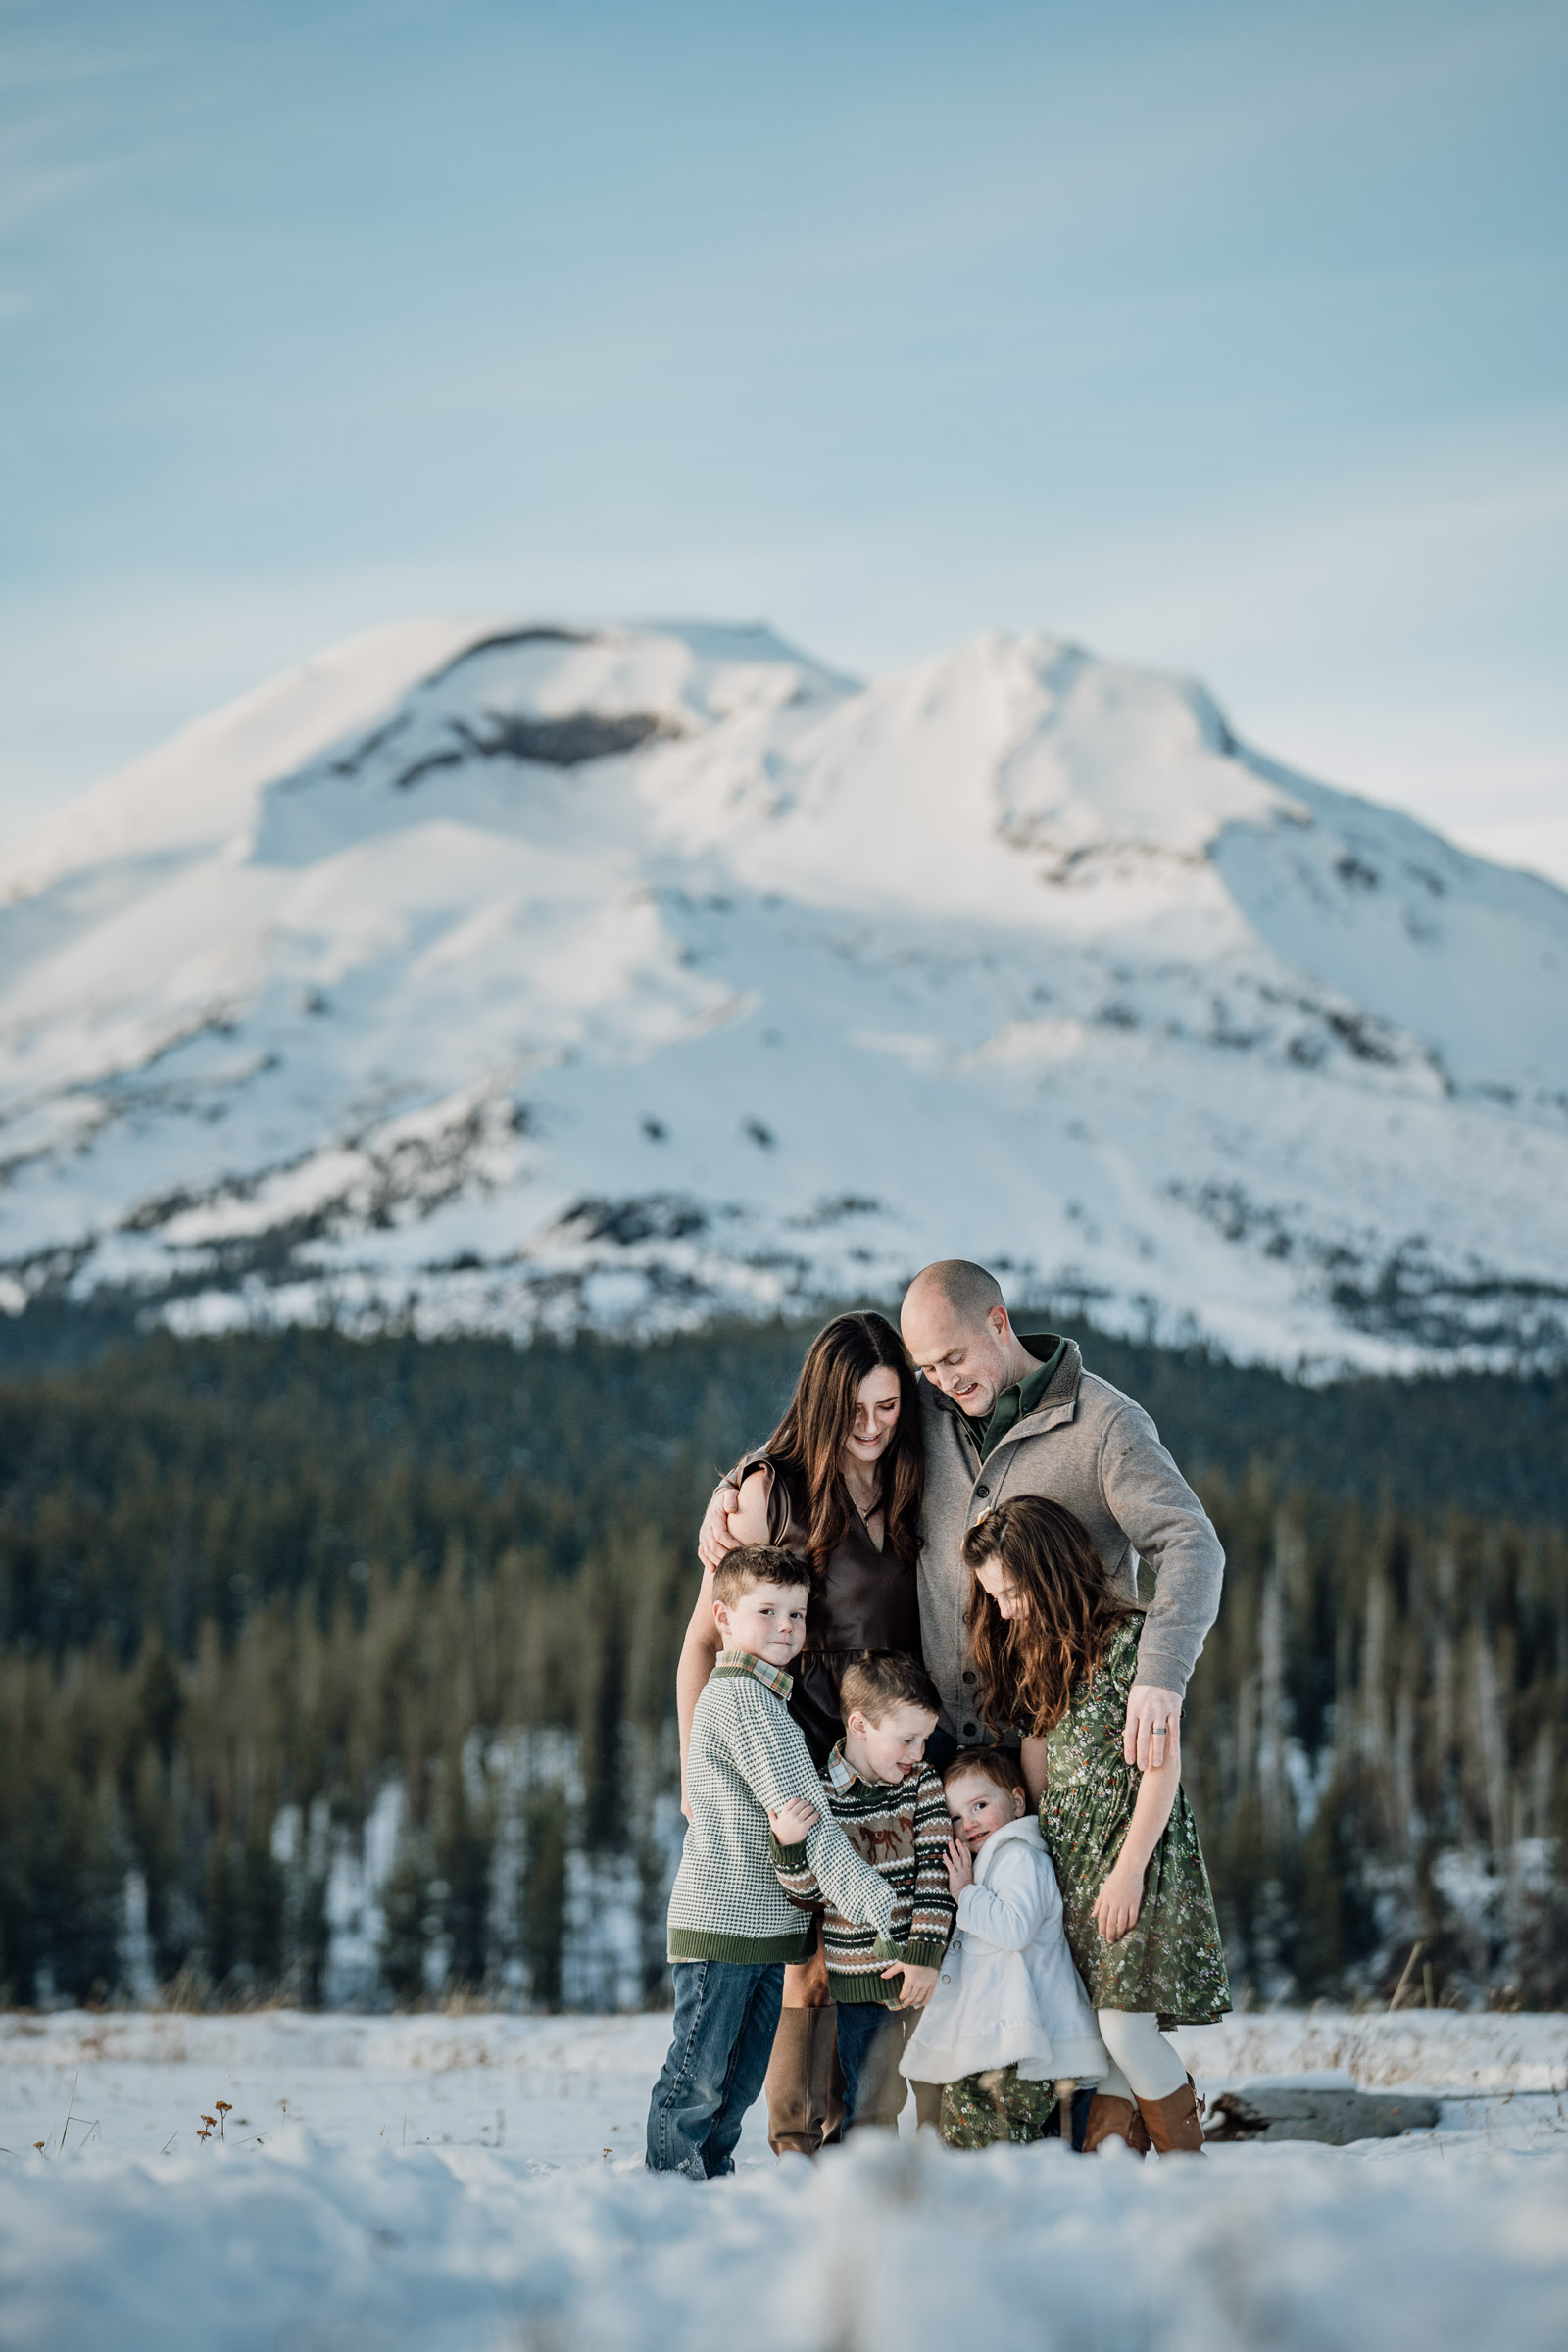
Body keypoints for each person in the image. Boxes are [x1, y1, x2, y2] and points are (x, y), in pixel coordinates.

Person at [701, 1261, 1223, 1792]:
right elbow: (832, 1421)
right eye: (927, 1367)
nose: (945, 1379)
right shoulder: (926, 1405)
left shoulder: (1104, 1425)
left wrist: (1161, 1673)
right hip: (936, 1746)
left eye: (954, 1357)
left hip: (1060, 1737)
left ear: (998, 1324)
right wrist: (744, 1480)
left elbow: (1192, 1545)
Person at [678, 1309, 926, 2158]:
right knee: (803, 1958)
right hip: (788, 1747)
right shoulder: (769, 1490)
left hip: (885, 1747)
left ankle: (864, 2142)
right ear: (820, 1403)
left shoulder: (914, 1474)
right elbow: (704, 1644)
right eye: (854, 1410)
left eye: (888, 1407)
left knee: (878, 1953)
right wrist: (694, 1772)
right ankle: (793, 2145)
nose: (871, 1427)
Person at [964, 1494, 1231, 2155]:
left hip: (1129, 1854)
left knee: (1124, 2029)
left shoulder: (1128, 1646)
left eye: (1013, 1591)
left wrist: (1130, 1872)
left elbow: (1161, 1773)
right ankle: (1110, 2166)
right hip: (1070, 1863)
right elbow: (1036, 1765)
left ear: (1050, 1571)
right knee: (1103, 2025)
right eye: (993, 1596)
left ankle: (1186, 2162)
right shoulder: (1033, 1655)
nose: (1005, 1609)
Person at [647, 1544, 906, 2180]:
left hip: (760, 1931)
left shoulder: (767, 1700)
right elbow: (814, 1831)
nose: (787, 1628)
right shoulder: (746, 1703)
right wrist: (887, 1912)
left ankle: (707, 2182)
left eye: (796, 1613)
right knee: (698, 2079)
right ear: (724, 1618)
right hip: (724, 1927)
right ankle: (665, 2193)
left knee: (735, 2086)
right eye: (768, 1612)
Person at [765, 1651, 954, 2137]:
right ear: (860, 1724)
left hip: (926, 1976)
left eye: (926, 1740)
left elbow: (936, 1873)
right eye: (907, 1739)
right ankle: (874, 2193)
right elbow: (810, 1894)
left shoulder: (924, 1785)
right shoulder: (821, 1794)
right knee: (869, 2102)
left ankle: (940, 2183)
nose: (917, 1753)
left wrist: (925, 1956)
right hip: (859, 1985)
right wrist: (788, 1846)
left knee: (942, 2093)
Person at [900, 1746, 1107, 2149]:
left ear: (1016, 1800)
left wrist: (964, 1893)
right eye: (956, 1817)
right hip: (1011, 2042)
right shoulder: (993, 1861)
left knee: (979, 2130)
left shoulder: (1019, 1857)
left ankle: (988, 2203)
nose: (969, 1823)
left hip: (1029, 2044)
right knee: (994, 2131)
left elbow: (1014, 1929)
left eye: (979, 1805)